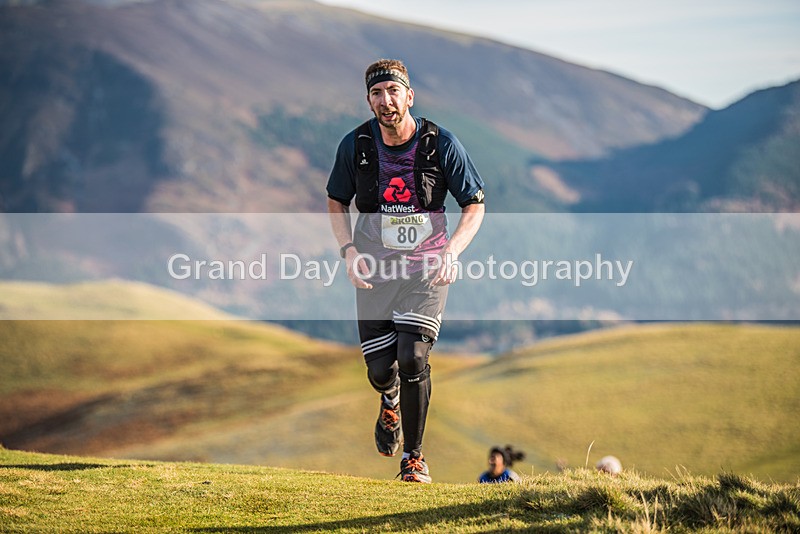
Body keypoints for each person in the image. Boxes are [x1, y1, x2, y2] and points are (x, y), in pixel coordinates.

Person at [327, 59, 485, 483]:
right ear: (369, 101)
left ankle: (414, 458)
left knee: (413, 357)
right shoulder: (356, 145)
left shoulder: (440, 144)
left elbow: (474, 204)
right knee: (381, 370)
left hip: (427, 268)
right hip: (375, 269)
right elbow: (336, 199)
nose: (386, 101)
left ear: (409, 96)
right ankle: (390, 398)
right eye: (377, 94)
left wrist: (452, 251)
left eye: (393, 92)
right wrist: (348, 250)